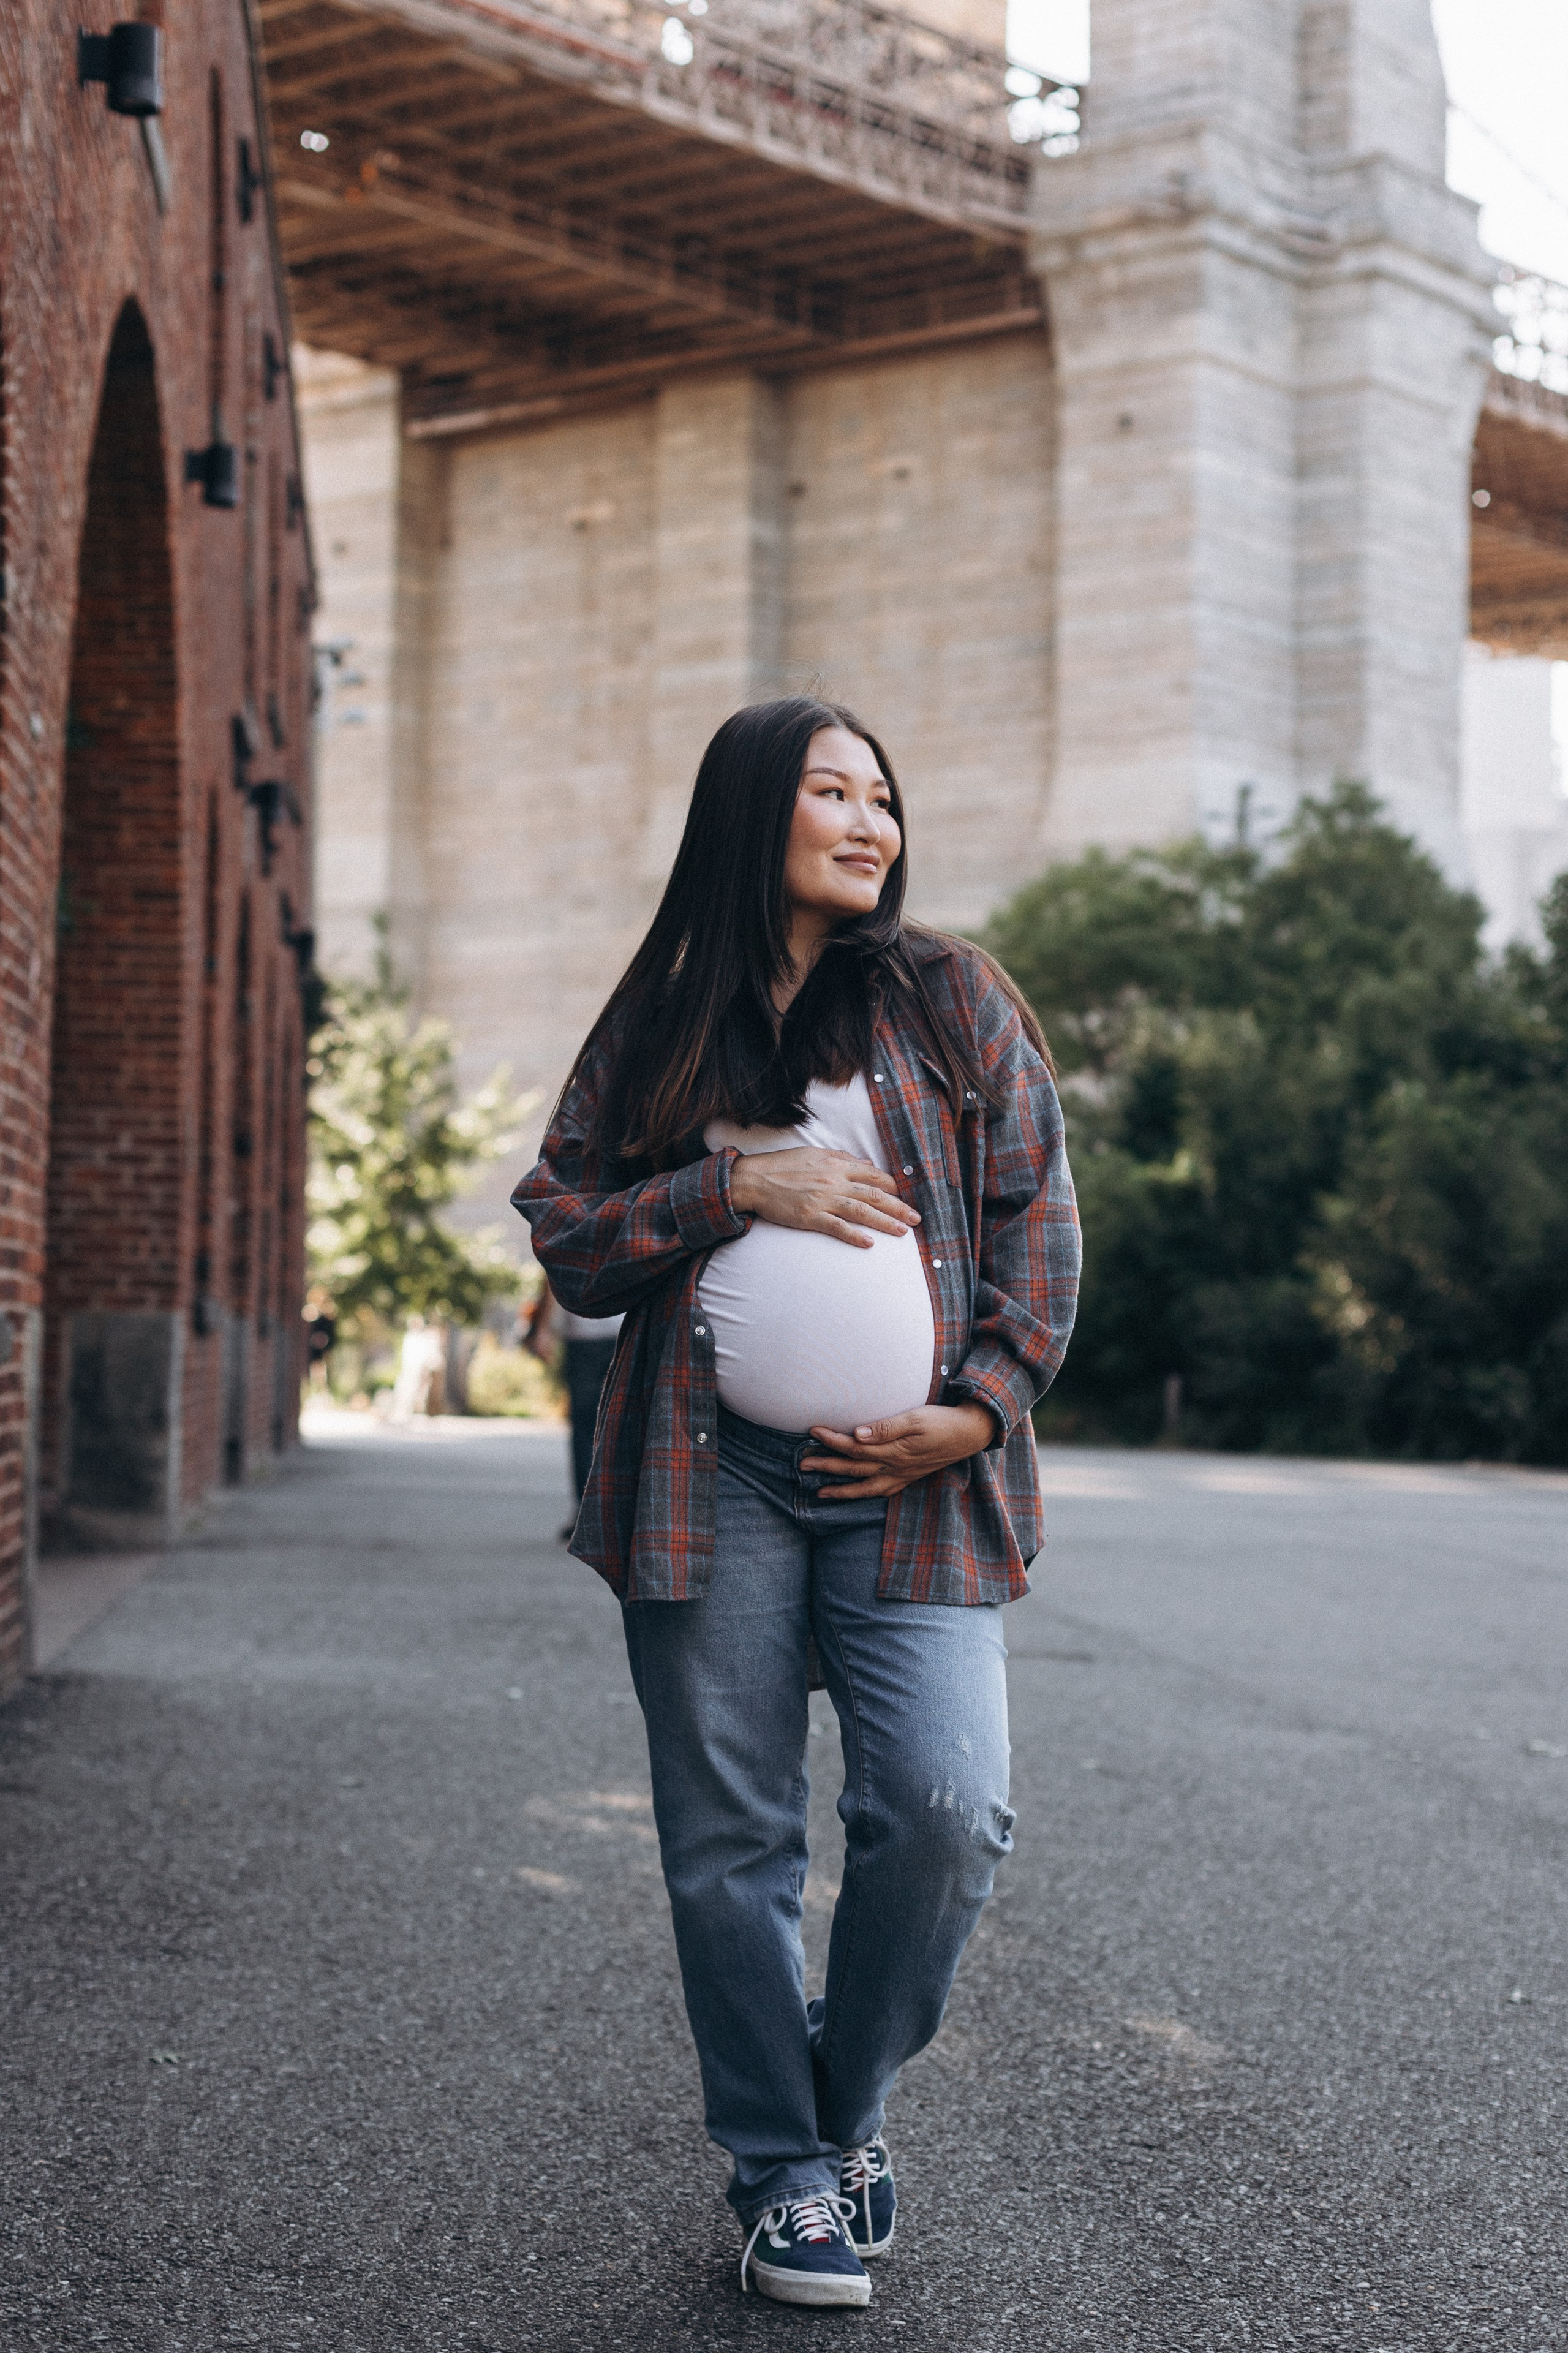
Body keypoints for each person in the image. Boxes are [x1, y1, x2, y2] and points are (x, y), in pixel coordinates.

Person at [514, 697, 1079, 2309]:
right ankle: (783, 2176)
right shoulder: (667, 1015)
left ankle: (840, 2114)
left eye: (884, 795)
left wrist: (969, 1411)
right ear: (751, 813)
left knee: (947, 1813)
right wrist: (729, 1184)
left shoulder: (949, 997)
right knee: (729, 1842)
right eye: (831, 790)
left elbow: (1040, 1221)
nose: (870, 819)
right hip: (712, 1476)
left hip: (923, 1481)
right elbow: (568, 1228)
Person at [524, 1280, 624, 1535]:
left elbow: (554, 1273)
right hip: (622, 1328)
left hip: (588, 1332)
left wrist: (542, 1330)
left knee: (585, 1427)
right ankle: (616, 1513)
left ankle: (587, 1512)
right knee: (620, 1424)